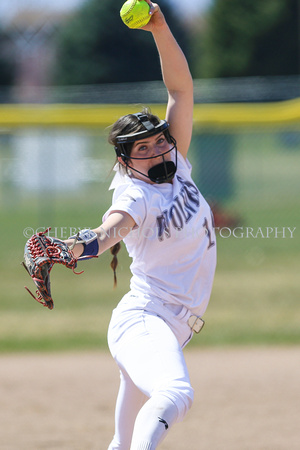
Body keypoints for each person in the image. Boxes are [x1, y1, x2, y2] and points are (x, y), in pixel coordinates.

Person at [66, 1, 216, 448]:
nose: (155, 152)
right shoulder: (136, 194)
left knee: (122, 441)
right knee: (175, 393)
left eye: (159, 142)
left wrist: (160, 28)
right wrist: (79, 244)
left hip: (169, 325)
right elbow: (111, 228)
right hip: (145, 320)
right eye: (142, 149)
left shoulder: (179, 166)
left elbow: (181, 91)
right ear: (124, 161)